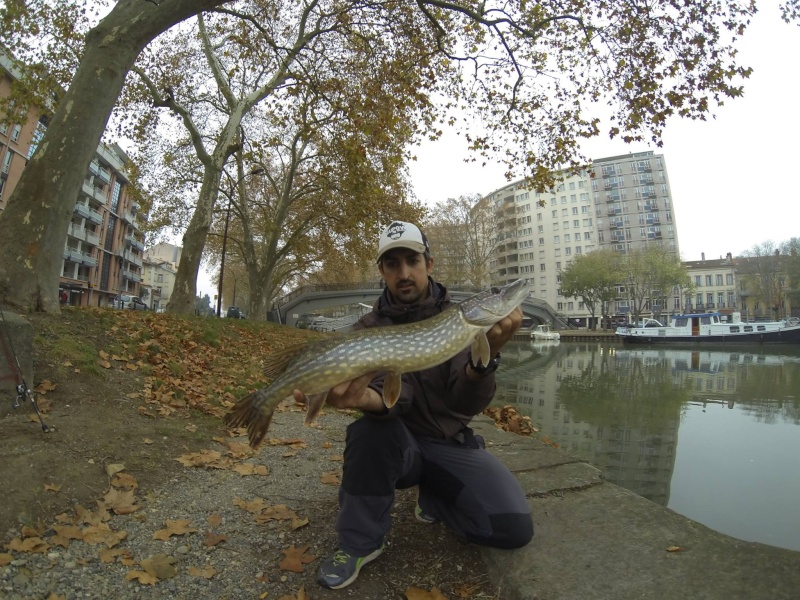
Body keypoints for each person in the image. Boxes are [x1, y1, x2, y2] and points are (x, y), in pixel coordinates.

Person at [296, 220, 534, 590]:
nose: (404, 272)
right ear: (382, 271)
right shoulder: (368, 329)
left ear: (429, 263)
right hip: (399, 446)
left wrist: (485, 361)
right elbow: (396, 397)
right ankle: (359, 542)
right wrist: (367, 400)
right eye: (393, 264)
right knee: (368, 432)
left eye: (412, 260)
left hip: (448, 443)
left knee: (512, 527)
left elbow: (463, 400)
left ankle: (435, 499)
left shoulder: (459, 320)